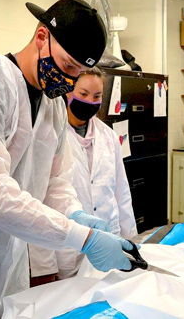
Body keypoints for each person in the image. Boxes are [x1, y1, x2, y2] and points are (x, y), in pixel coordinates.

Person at [0, 0, 135, 318]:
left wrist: (76, 214)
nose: (68, 81)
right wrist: (81, 237)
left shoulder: (52, 104)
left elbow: (57, 181)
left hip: (9, 255)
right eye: (68, 66)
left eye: (77, 73)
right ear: (42, 38)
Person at [30, 67, 138, 280]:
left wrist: (131, 241)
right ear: (68, 91)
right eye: (83, 94)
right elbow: (37, 200)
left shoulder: (108, 135)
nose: (90, 101)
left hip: (109, 240)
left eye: (97, 96)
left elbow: (121, 192)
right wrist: (44, 267)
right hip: (66, 249)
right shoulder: (49, 132)